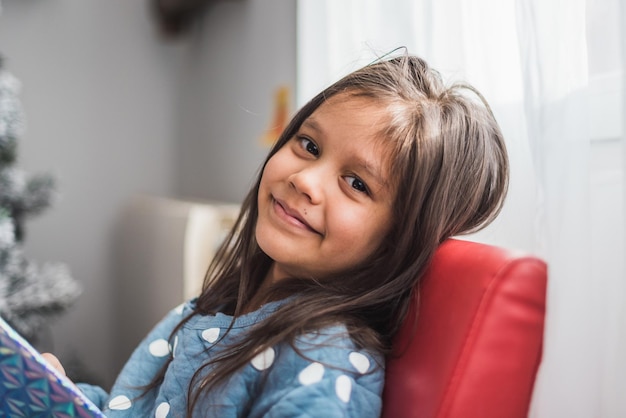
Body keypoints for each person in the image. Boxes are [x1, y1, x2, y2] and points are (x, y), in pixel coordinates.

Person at [46, 53, 509, 417]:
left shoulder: (321, 367)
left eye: (357, 183)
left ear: (399, 240)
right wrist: (58, 395)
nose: (305, 180)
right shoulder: (223, 304)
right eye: (308, 146)